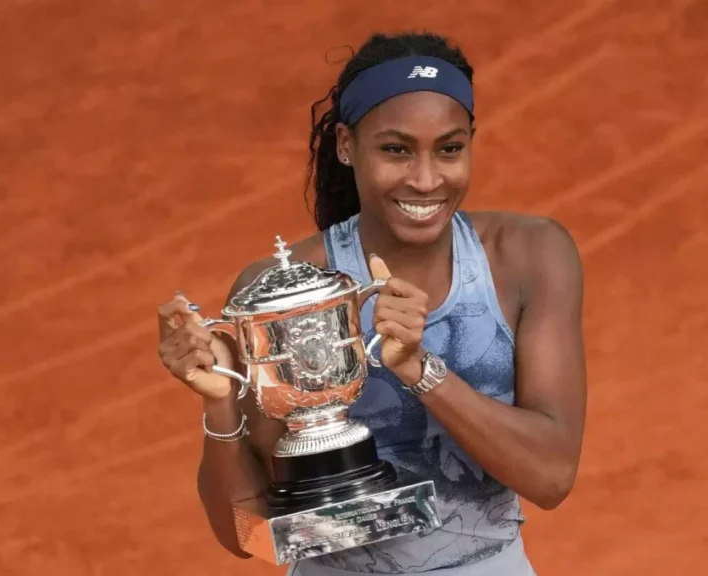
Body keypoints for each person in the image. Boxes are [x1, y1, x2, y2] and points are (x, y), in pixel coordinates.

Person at [157, 30, 587, 575]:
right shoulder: (275, 294)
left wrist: (420, 370)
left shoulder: (530, 256)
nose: (427, 179)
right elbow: (248, 538)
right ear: (345, 145)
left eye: (450, 149)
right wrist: (220, 405)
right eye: (396, 149)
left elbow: (550, 478)